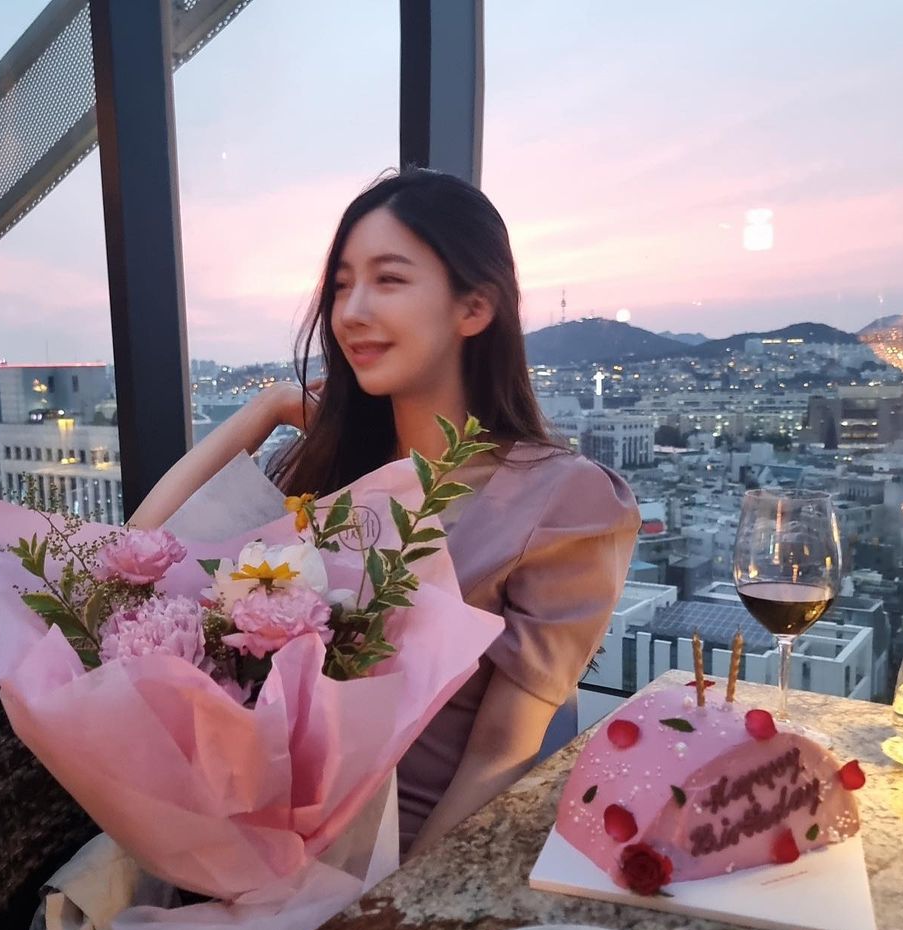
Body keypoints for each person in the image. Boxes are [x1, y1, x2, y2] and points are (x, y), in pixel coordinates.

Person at [130, 168, 640, 857]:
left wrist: (391, 904)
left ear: (474, 308)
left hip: (406, 857)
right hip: (255, 839)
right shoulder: (320, 472)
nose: (351, 312)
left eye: (389, 279)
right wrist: (267, 408)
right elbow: (140, 552)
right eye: (342, 286)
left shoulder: (560, 499)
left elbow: (500, 754)